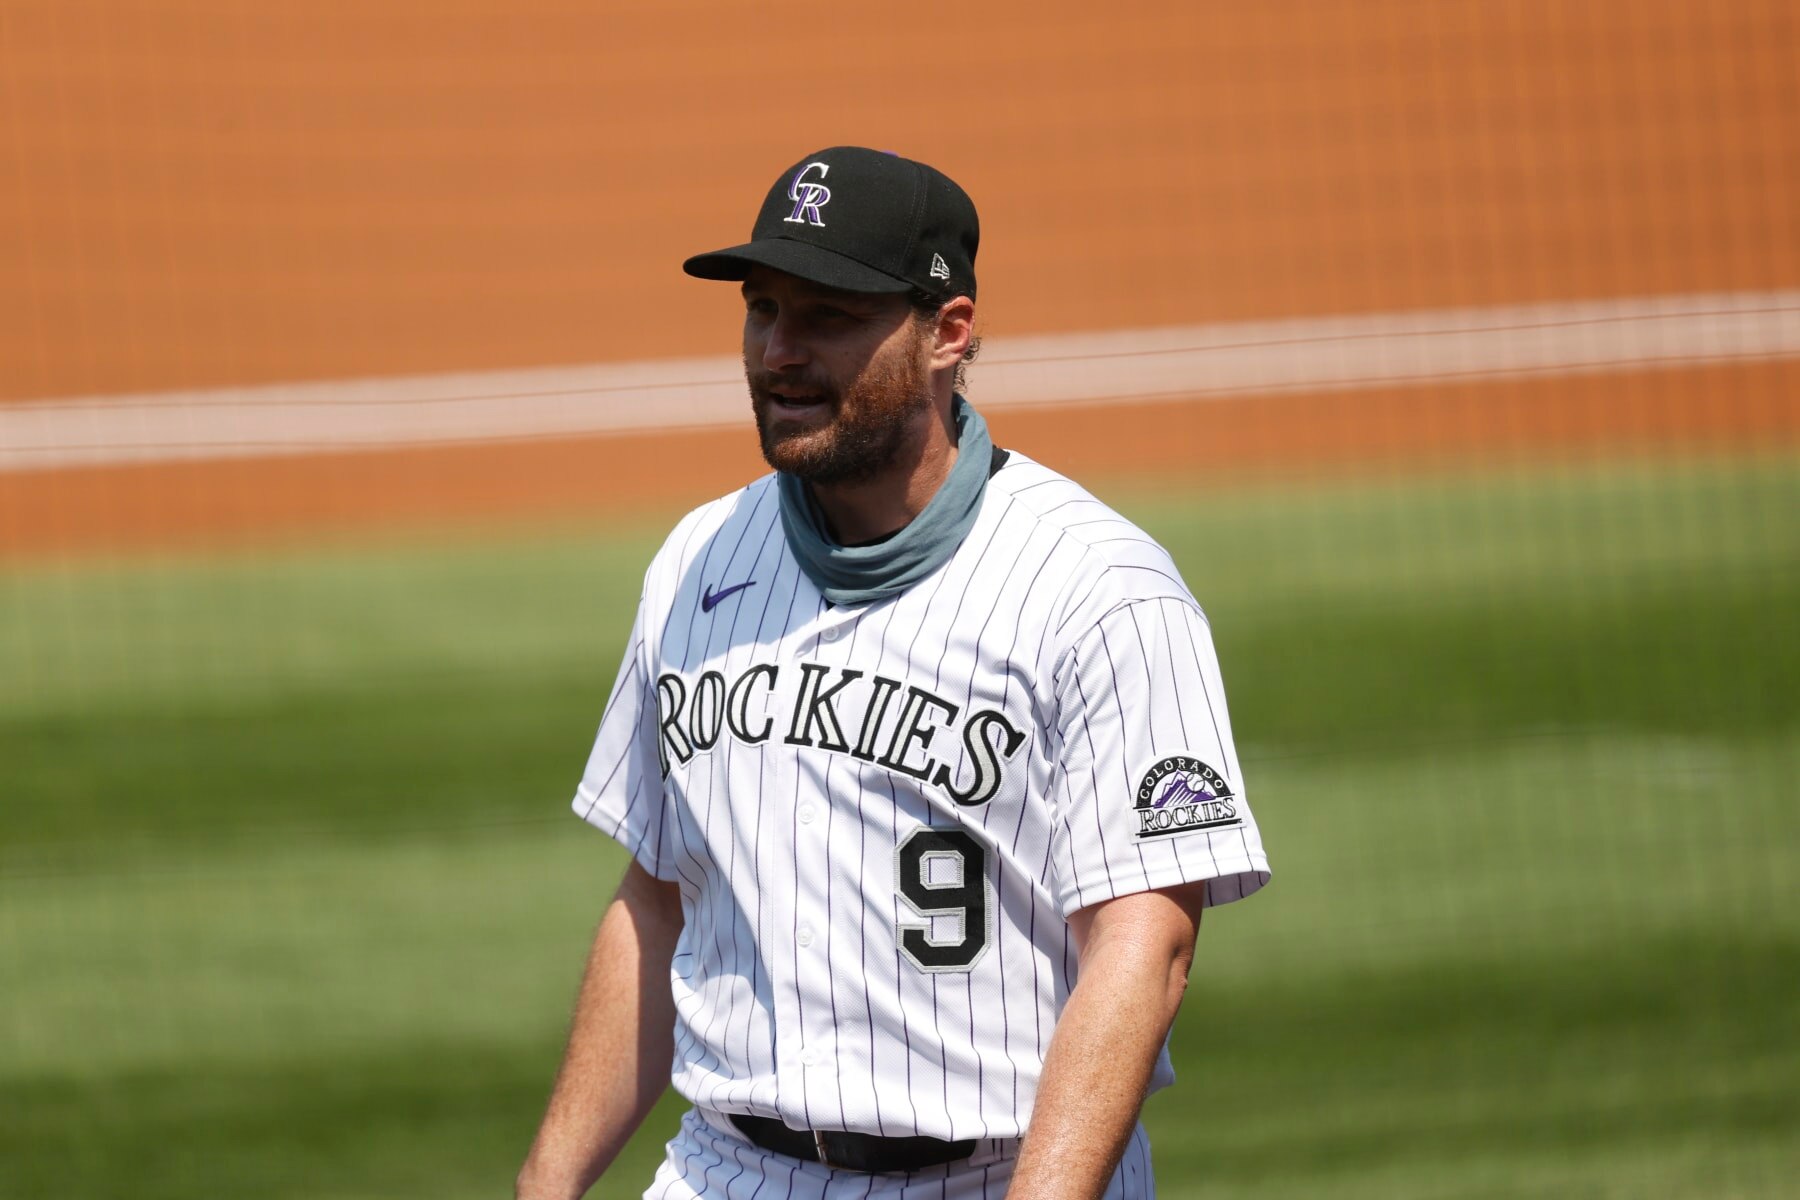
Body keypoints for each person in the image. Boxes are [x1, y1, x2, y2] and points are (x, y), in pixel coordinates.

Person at [517, 146, 1270, 1200]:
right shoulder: (697, 561)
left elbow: (1144, 948)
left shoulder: (1099, 589)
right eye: (763, 308)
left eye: (826, 317)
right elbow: (655, 898)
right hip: (721, 1169)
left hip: (996, 1176)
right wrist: (544, 1186)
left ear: (946, 334)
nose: (779, 351)